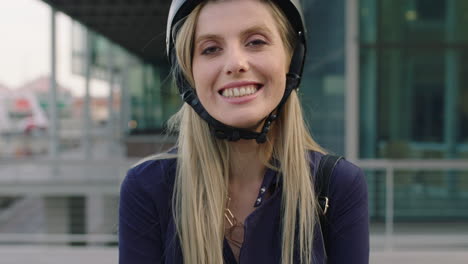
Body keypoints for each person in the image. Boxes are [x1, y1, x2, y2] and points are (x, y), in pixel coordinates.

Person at [118, 0, 369, 263]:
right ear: (187, 74)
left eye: (256, 42)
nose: (235, 63)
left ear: (291, 58)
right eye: (211, 48)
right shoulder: (148, 188)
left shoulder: (337, 186)